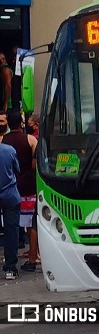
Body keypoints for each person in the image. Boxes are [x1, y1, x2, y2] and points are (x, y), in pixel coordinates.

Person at [2, 111, 38, 272]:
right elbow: (35, 164)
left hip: (11, 186)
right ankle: (32, 254)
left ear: (8, 123)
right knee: (30, 222)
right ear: (21, 123)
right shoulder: (30, 140)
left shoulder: (4, 141)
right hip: (26, 186)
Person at [0, 111, 21, 279]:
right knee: (11, 231)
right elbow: (17, 170)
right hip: (10, 195)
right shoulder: (9, 150)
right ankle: (10, 268)